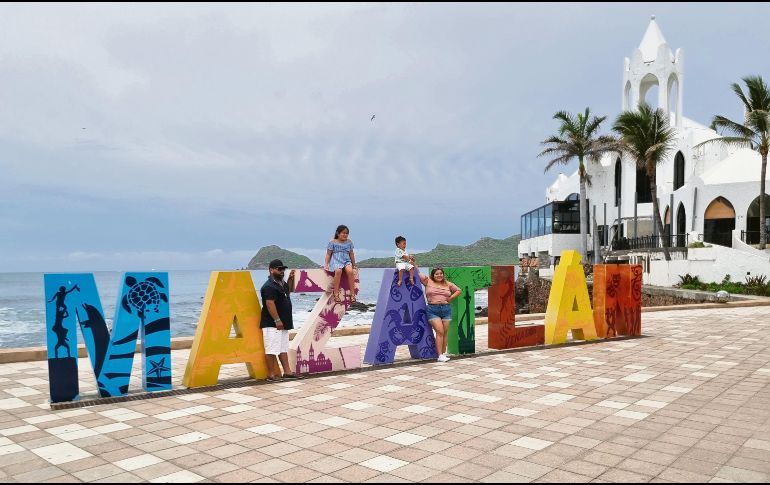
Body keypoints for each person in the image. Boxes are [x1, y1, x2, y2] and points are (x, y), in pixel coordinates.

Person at [260, 259, 301, 381]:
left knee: (283, 347)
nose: (282, 271)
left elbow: (289, 290)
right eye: (279, 269)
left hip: (283, 323)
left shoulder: (281, 283)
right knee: (271, 348)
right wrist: (277, 320)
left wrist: (291, 278)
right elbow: (269, 304)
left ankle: (287, 372)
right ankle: (271, 374)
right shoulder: (268, 286)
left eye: (283, 269)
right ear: (271, 270)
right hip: (272, 323)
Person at [419, 267, 461, 362]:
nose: (439, 275)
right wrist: (412, 263)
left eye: (441, 273)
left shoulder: (448, 284)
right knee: (440, 331)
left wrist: (451, 298)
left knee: (445, 333)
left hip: (446, 310)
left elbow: (458, 290)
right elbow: (418, 273)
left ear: (443, 274)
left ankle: (442, 354)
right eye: (436, 274)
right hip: (432, 309)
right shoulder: (428, 281)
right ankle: (440, 355)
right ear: (433, 275)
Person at [324, 225, 357, 304]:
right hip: (336, 260)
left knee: (350, 271)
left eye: (346, 233)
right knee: (338, 271)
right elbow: (328, 254)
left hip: (346, 260)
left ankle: (352, 294)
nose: (345, 235)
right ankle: (336, 293)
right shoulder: (332, 242)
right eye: (343, 233)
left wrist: (354, 264)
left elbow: (351, 254)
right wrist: (326, 264)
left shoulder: (349, 242)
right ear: (338, 233)